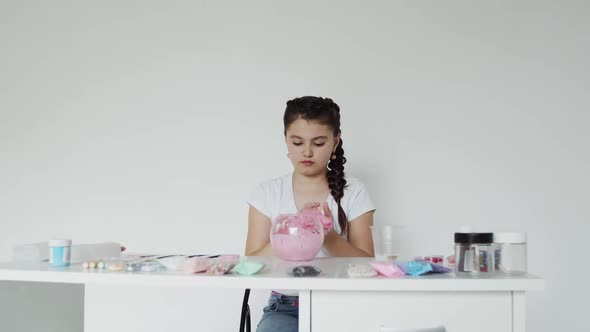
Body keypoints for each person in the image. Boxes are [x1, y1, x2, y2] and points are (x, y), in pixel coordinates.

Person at [245, 96, 376, 332]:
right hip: (283, 307)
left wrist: (328, 235)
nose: (307, 152)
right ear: (285, 140)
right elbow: (252, 266)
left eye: (318, 143)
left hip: (340, 302)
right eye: (297, 142)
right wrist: (292, 230)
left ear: (335, 142)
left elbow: (368, 264)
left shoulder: (354, 191)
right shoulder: (267, 193)